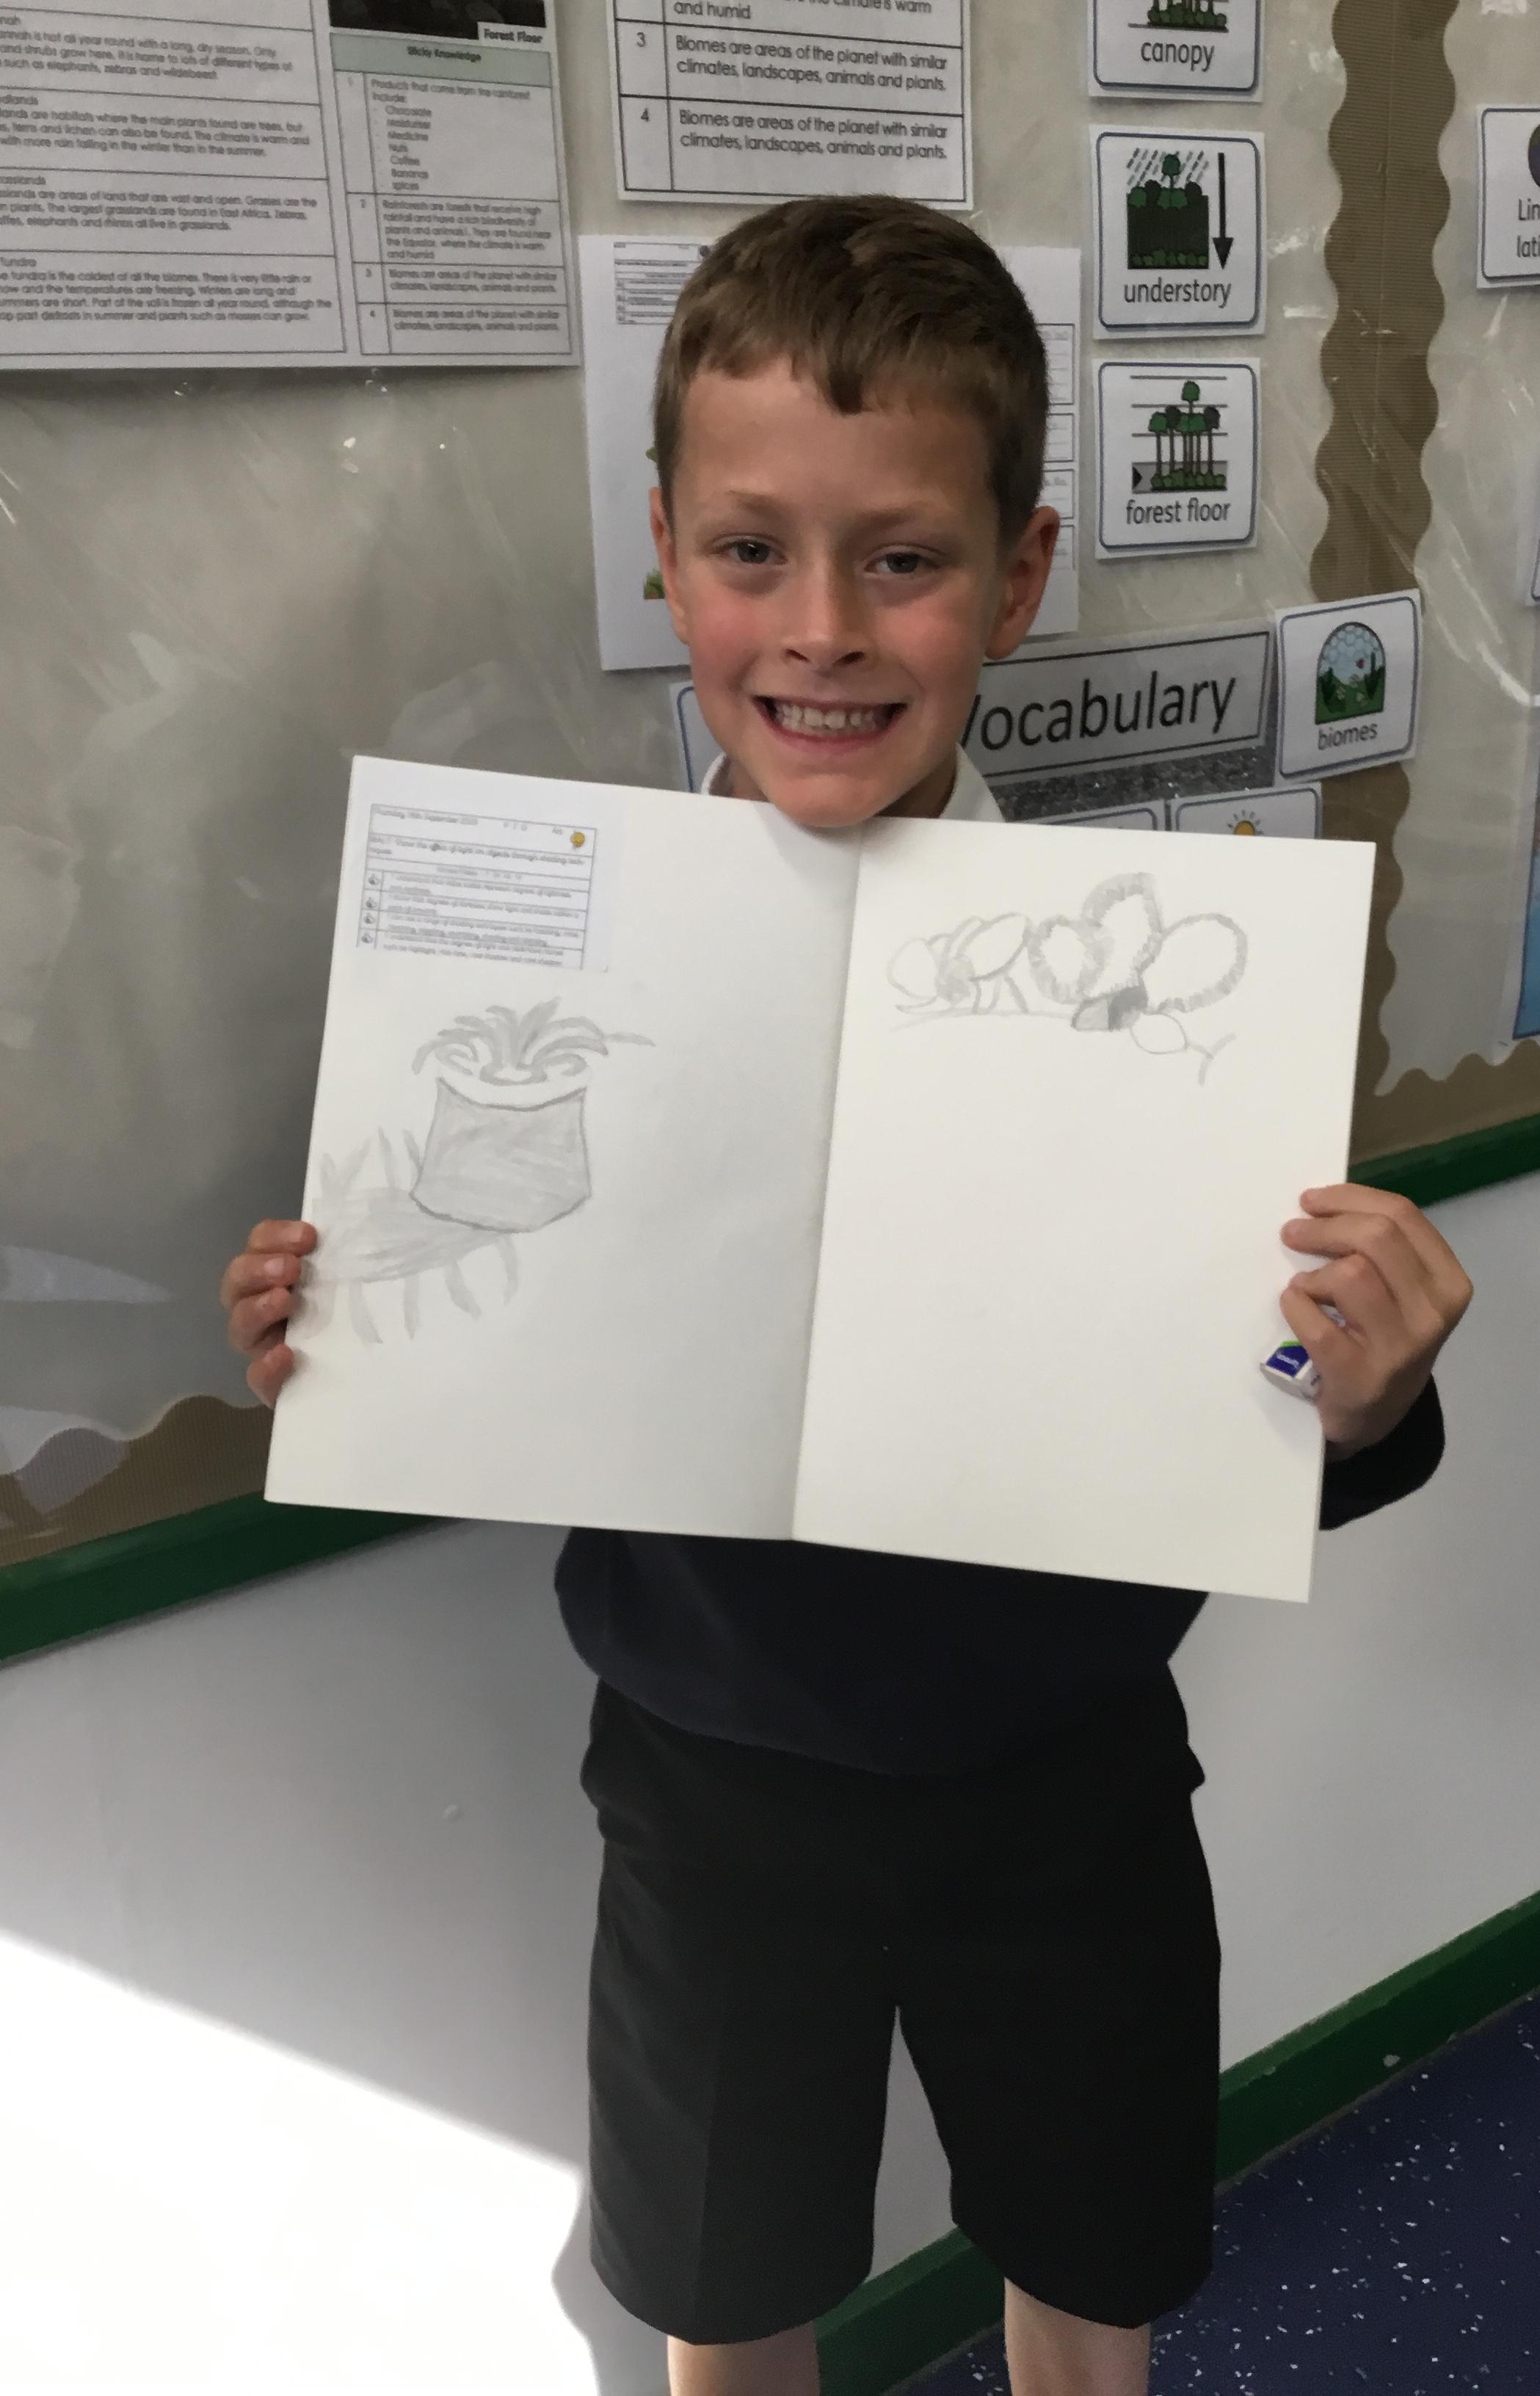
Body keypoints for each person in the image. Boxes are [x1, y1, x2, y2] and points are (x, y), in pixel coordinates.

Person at [220, 197, 1472, 2396]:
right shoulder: (551, 970)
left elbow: (1254, 1404)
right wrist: (346, 1329)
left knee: (1093, 2267)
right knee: (727, 2299)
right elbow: (486, 1325)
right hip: (711, 1799)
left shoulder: (1157, 987)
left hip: (1069, 1789)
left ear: (1016, 574)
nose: (821, 630)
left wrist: (1363, 1395)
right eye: (750, 552)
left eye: (901, 559)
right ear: (665, 554)